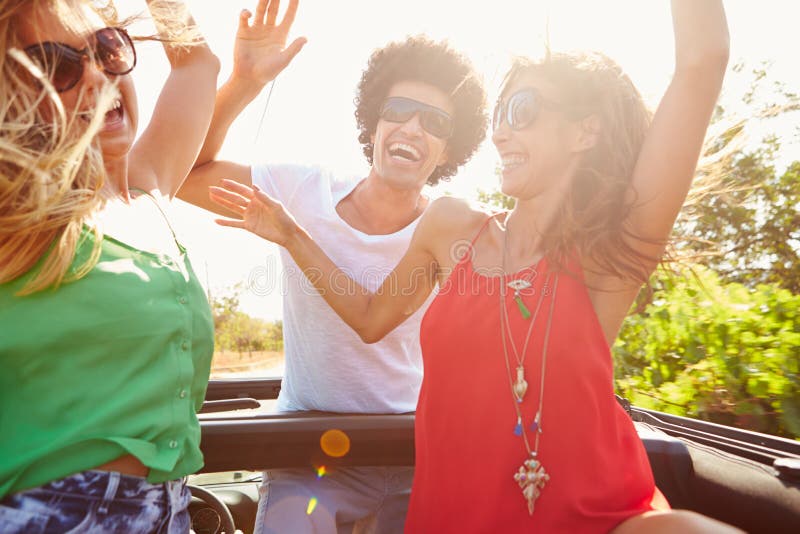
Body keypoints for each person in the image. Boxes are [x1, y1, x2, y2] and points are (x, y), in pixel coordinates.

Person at [208, 0, 747, 532]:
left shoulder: (609, 260)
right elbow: (370, 319)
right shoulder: (451, 228)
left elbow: (702, 63)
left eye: (523, 111)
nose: (500, 133)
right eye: (498, 115)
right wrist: (289, 234)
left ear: (586, 132)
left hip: (597, 512)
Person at [177, 1, 488, 532]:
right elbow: (182, 171)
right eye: (399, 110)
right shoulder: (300, 188)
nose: (412, 128)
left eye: (434, 122)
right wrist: (245, 83)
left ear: (448, 148)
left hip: (412, 451)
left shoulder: (447, 227)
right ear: (375, 120)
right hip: (310, 454)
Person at [0, 0, 219, 531]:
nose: (98, 75)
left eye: (107, 49)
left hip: (171, 512)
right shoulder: (15, 213)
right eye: (58, 65)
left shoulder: (144, 190)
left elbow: (198, 66)